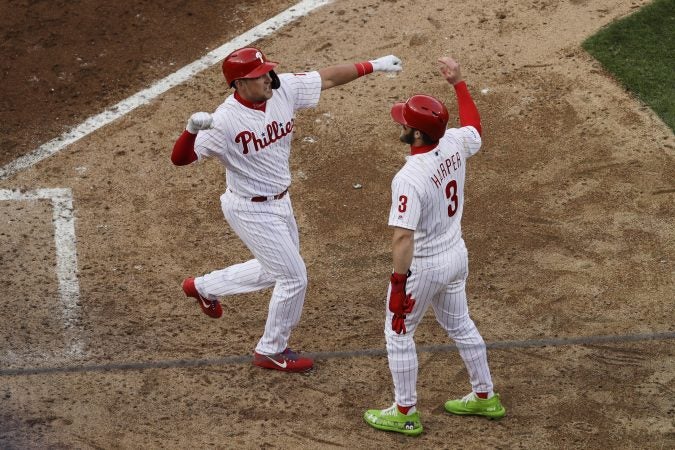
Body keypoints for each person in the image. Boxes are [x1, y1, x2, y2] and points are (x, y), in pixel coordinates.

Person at [171, 46, 403, 373]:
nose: (268, 78)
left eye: (267, 71)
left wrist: (374, 65)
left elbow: (328, 77)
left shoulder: (283, 91)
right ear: (238, 84)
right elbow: (180, 160)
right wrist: (191, 130)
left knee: (274, 270)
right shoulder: (223, 122)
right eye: (258, 76)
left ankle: (203, 287)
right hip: (249, 209)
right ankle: (271, 350)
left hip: (281, 201)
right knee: (294, 278)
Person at [363, 56, 506, 436]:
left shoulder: (409, 176)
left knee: (398, 332)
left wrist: (398, 283)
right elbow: (474, 125)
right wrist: (459, 83)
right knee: (460, 325)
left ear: (417, 135)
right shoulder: (455, 141)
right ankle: (484, 396)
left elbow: (403, 236)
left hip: (424, 265)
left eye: (405, 123)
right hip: (456, 255)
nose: (401, 124)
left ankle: (405, 411)